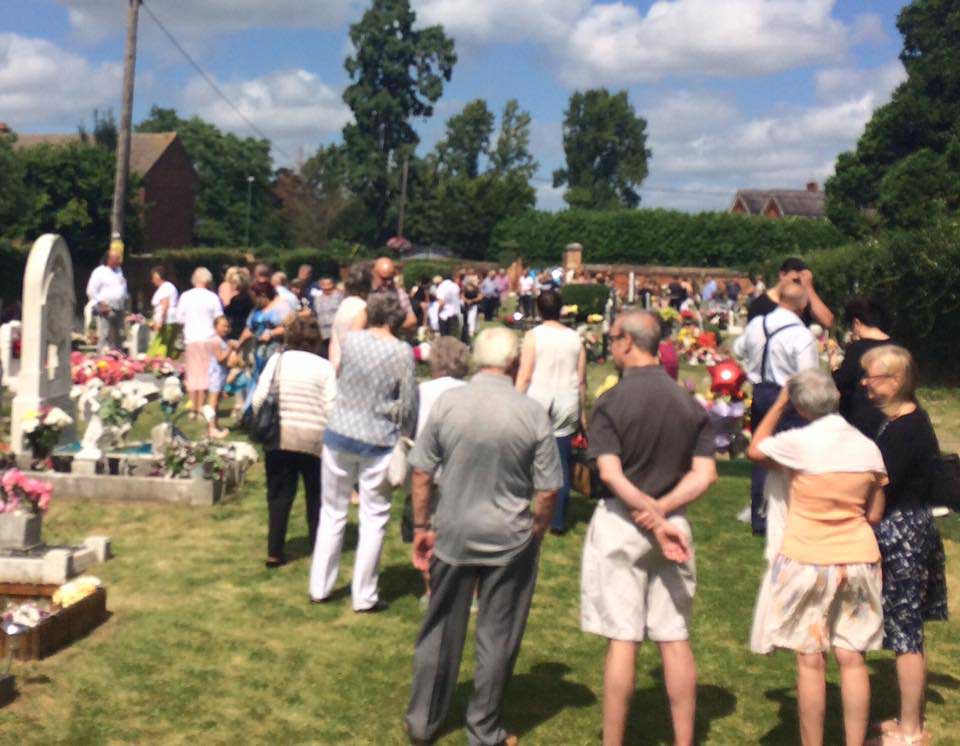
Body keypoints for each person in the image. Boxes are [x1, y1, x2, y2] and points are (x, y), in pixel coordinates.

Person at [405, 327, 562, 746]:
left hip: (453, 530)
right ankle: (484, 727)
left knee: (439, 628)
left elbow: (421, 471)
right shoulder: (531, 413)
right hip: (509, 536)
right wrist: (537, 531)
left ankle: (423, 720)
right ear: (513, 362)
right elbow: (549, 489)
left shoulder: (448, 403)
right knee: (498, 635)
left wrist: (421, 526)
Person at [581, 310, 715, 746]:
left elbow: (611, 474)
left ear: (626, 341)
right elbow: (705, 474)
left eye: (611, 338)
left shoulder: (611, 402)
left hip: (623, 522)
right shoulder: (689, 403)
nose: (610, 346)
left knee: (624, 639)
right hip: (673, 525)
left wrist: (648, 512)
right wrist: (663, 512)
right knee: (674, 638)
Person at [747, 369, 887, 746]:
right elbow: (874, 512)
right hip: (858, 557)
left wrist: (778, 404)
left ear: (800, 407)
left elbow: (755, 449)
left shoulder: (798, 442)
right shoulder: (867, 447)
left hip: (807, 557)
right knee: (853, 657)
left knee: (810, 659)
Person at [860, 345, 947, 746]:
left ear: (895, 381)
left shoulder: (908, 427)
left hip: (904, 534)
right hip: (903, 529)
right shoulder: (894, 420)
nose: (865, 383)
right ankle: (904, 719)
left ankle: (911, 730)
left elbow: (883, 483)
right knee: (903, 629)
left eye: (872, 376)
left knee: (906, 632)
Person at [308, 293, 417, 611]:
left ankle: (319, 587)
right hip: (378, 440)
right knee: (374, 518)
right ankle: (364, 596)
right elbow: (408, 403)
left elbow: (341, 370)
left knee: (332, 512)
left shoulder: (351, 341)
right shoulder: (402, 352)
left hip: (339, 433)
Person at [733, 282, 819, 536]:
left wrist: (754, 364)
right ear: (803, 305)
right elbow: (808, 374)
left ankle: (760, 514)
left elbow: (738, 349)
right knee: (794, 454)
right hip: (787, 395)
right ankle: (792, 512)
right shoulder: (801, 334)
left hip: (760, 390)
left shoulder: (756, 324)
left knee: (761, 453)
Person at [252, 315, 337, 568]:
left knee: (279, 496)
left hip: (280, 437)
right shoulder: (324, 367)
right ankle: (318, 548)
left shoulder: (277, 361)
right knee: (316, 496)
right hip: (315, 440)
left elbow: (259, 399)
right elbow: (332, 407)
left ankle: (275, 551)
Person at [515, 289, 587, 535]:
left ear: (538, 310)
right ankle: (557, 519)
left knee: (526, 457)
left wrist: (514, 399)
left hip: (538, 398)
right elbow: (581, 379)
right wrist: (582, 411)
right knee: (561, 460)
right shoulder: (575, 338)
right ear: (561, 309)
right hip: (566, 399)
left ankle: (523, 509)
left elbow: (525, 374)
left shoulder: (533, 336)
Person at [406, 336, 471, 603]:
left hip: (430, 465)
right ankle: (469, 590)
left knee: (429, 525)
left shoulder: (422, 390)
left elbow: (412, 428)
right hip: (463, 468)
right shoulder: (471, 391)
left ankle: (431, 587)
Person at [831, 297, 892, 437]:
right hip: (891, 415)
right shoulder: (897, 348)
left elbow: (842, 383)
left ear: (856, 323)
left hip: (863, 419)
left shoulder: (857, 349)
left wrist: (834, 367)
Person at [176, 267, 224, 418]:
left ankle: (192, 408)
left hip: (191, 338)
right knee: (205, 374)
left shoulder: (185, 296)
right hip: (208, 338)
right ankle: (201, 406)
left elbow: (179, 318)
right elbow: (219, 318)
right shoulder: (213, 297)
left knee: (192, 374)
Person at [236, 281, 289, 408]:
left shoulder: (281, 306)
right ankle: (251, 409)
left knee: (272, 379)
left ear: (263, 295)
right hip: (258, 351)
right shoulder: (256, 310)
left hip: (275, 349)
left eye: (255, 297)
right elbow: (250, 328)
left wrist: (271, 333)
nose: (253, 300)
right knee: (256, 378)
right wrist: (239, 343)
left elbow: (288, 327)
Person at [747, 257, 834, 328]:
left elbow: (828, 321)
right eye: (795, 281)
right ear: (782, 275)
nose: (798, 286)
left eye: (801, 282)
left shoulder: (802, 303)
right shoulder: (759, 305)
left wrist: (809, 287)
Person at [328, 263, 371, 372]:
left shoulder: (344, 305)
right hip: (355, 369)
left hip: (337, 366)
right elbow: (354, 343)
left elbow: (334, 341)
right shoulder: (362, 308)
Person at [86, 249, 128, 352]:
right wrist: (100, 303)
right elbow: (91, 290)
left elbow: (122, 287)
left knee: (119, 334)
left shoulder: (119, 271)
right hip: (105, 306)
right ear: (109, 259)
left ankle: (118, 354)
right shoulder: (99, 272)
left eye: (119, 258)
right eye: (116, 258)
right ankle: (102, 354)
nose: (119, 260)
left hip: (119, 307)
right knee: (105, 332)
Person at [203, 316, 233, 439]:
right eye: (223, 326)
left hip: (221, 374)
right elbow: (220, 358)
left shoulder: (222, 340)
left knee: (217, 402)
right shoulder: (215, 340)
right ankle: (211, 428)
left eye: (227, 326)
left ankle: (215, 425)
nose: (226, 329)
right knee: (213, 402)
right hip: (215, 374)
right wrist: (230, 348)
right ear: (216, 327)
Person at [371, 256, 417, 333]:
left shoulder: (399, 294)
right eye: (384, 279)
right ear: (374, 274)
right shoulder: (365, 291)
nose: (389, 282)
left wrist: (389, 329)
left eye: (391, 278)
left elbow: (412, 320)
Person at [147, 265, 179, 358]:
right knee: (167, 345)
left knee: (161, 345)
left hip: (166, 321)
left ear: (157, 276)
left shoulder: (165, 288)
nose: (152, 280)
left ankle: (157, 362)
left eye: (153, 277)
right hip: (170, 320)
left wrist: (160, 321)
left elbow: (165, 305)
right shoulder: (168, 287)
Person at [312, 276, 343, 359]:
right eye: (323, 284)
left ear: (333, 285)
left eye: (328, 284)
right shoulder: (317, 299)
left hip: (337, 333)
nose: (326, 287)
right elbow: (316, 314)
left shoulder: (339, 296)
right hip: (323, 335)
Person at [220, 266, 253, 341]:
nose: (230, 285)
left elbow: (228, 312)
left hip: (239, 331)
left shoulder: (239, 299)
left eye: (233, 283)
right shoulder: (247, 297)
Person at [435, 272, 462, 339]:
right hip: (455, 313)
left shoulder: (441, 287)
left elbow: (441, 302)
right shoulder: (455, 286)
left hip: (444, 315)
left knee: (444, 337)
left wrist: (438, 311)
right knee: (454, 336)